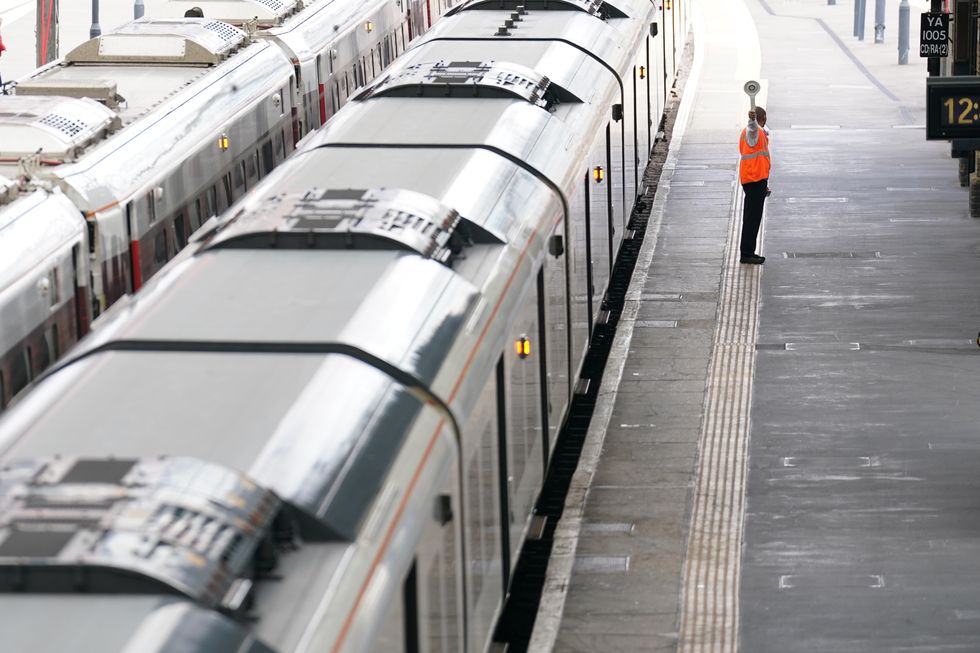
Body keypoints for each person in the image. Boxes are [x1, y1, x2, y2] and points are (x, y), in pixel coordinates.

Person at [738, 107, 770, 264]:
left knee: (752, 217)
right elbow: (753, 130)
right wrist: (752, 120)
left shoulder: (754, 132)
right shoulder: (753, 131)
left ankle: (748, 251)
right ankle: (747, 253)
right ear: (763, 118)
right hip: (754, 179)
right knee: (752, 218)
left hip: (754, 179)